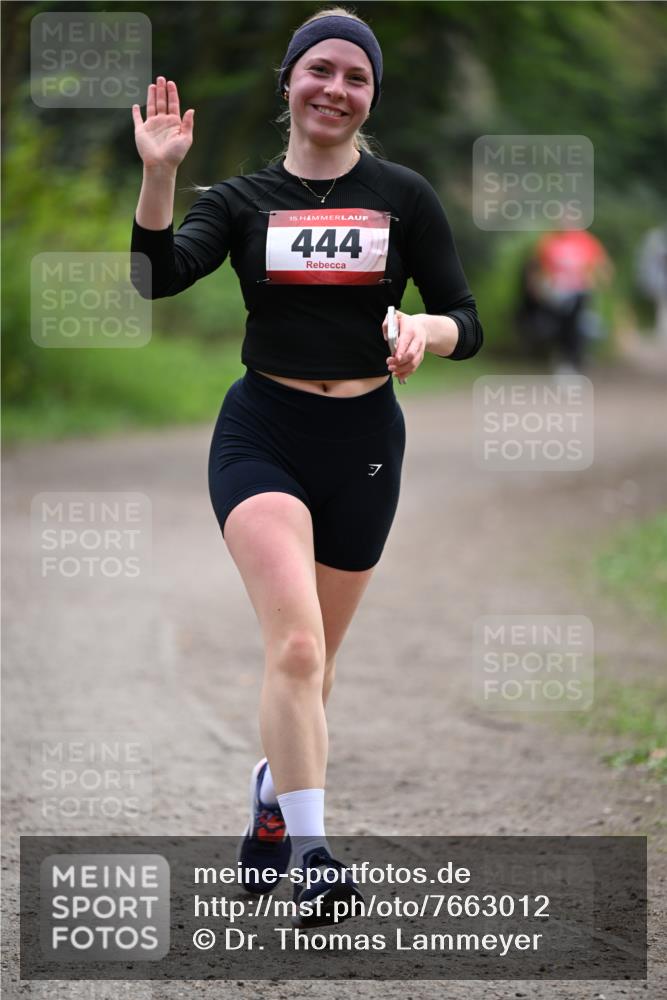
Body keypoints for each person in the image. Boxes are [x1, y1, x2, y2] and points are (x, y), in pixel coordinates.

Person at [130, 5, 482, 927]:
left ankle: (271, 795)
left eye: (355, 77)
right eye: (319, 69)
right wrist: (159, 177)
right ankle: (318, 857)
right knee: (292, 647)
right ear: (289, 82)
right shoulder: (240, 201)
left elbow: (466, 318)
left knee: (315, 669)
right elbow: (154, 278)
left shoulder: (403, 196)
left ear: (371, 98)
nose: (335, 88)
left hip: (364, 445)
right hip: (264, 433)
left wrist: (423, 328)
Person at [517, 227, 612, 373]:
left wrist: (596, 282)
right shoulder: (549, 241)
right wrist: (538, 288)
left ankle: (570, 359)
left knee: (576, 319)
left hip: (579, 295)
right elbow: (534, 268)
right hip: (554, 295)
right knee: (564, 321)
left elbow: (604, 267)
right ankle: (566, 358)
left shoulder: (586, 241)